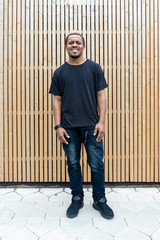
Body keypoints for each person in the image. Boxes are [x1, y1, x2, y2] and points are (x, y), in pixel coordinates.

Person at [49, 32, 114, 219]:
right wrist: (58, 126)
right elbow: (57, 100)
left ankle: (99, 200)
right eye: (71, 43)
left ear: (83, 46)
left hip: (92, 126)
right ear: (66, 46)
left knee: (96, 165)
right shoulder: (60, 72)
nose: (74, 45)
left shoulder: (94, 68)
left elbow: (101, 95)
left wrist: (101, 122)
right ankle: (77, 198)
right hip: (68, 128)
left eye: (78, 42)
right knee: (73, 164)